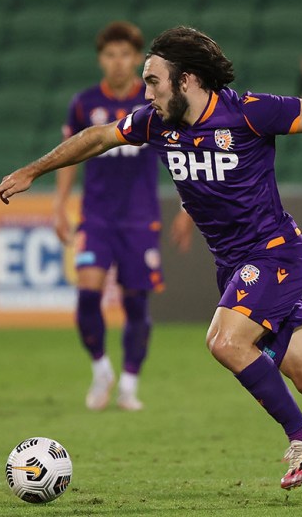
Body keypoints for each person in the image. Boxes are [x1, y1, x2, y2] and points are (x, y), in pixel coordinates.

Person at [0, 25, 302, 500]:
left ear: (187, 80)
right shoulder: (156, 123)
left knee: (224, 341)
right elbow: (98, 138)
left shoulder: (248, 112)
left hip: (275, 255)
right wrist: (33, 170)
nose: (144, 92)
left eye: (153, 81)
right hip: (235, 268)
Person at [53, 21, 194, 412]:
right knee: (87, 296)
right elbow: (69, 156)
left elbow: (182, 154)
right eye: (110, 55)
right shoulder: (83, 103)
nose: (117, 62)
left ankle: (129, 383)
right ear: (101, 59)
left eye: (125, 55)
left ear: (137, 59)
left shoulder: (154, 102)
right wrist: (59, 205)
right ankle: (101, 370)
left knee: (135, 305)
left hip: (139, 219)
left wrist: (187, 208)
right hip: (96, 218)